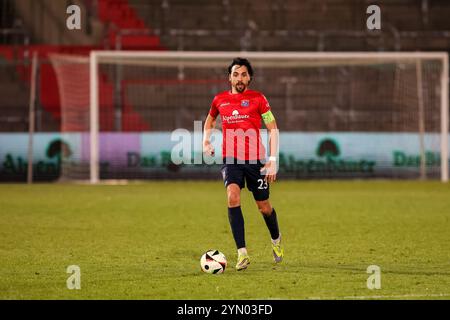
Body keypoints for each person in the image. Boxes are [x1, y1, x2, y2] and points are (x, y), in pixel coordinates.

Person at [202, 57, 283, 271]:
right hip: (231, 160)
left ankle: (276, 239)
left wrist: (273, 160)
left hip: (256, 161)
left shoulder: (259, 99)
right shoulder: (219, 100)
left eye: (244, 74)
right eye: (236, 74)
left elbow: (273, 128)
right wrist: (206, 141)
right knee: (232, 197)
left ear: (250, 78)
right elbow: (210, 120)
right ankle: (242, 254)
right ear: (229, 77)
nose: (240, 78)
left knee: (263, 207)